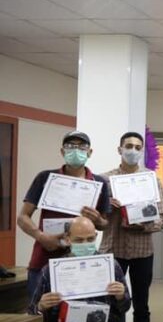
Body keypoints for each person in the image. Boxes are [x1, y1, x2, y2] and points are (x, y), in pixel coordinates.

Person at [99, 131, 163, 322]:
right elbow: (94, 219)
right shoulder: (105, 180)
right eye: (128, 146)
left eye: (138, 147)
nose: (133, 150)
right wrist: (107, 206)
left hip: (142, 251)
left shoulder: (151, 180)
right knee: (110, 303)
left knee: (141, 306)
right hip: (112, 249)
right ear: (120, 149)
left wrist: (144, 224)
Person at [17, 131, 111, 310]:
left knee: (79, 314)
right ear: (62, 151)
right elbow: (22, 217)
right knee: (39, 313)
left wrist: (98, 219)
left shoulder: (99, 183)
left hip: (82, 261)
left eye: (82, 147)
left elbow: (104, 224)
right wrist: (41, 237)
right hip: (45, 258)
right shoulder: (45, 178)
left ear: (90, 152)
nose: (76, 150)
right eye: (70, 146)